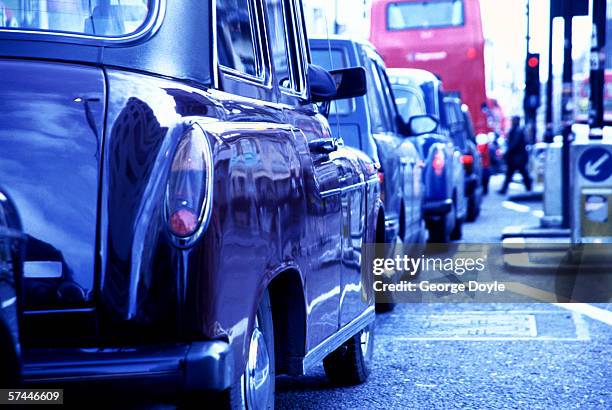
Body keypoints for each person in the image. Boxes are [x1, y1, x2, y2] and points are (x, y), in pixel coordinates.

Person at [498, 116, 532, 194]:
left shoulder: (518, 131)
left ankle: (529, 187)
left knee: (520, 172)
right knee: (513, 173)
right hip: (516, 157)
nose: (512, 122)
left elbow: (514, 144)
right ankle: (528, 187)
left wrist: (507, 152)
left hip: (517, 157)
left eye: (513, 120)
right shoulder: (516, 130)